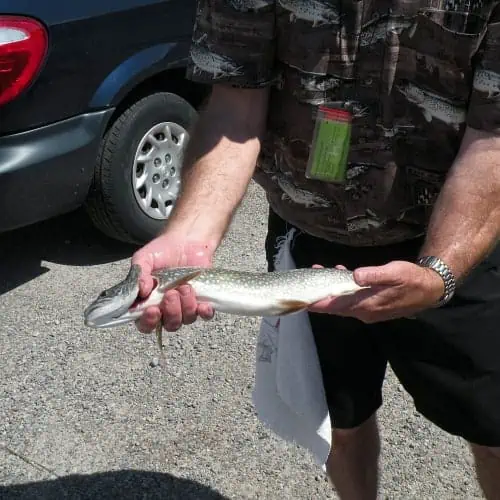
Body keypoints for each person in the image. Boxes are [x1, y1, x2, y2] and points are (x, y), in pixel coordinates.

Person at [131, 1, 500, 498]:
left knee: (494, 430)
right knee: (340, 425)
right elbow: (235, 105)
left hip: (456, 241)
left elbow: (493, 141)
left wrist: (440, 273)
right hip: (307, 244)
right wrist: (189, 234)